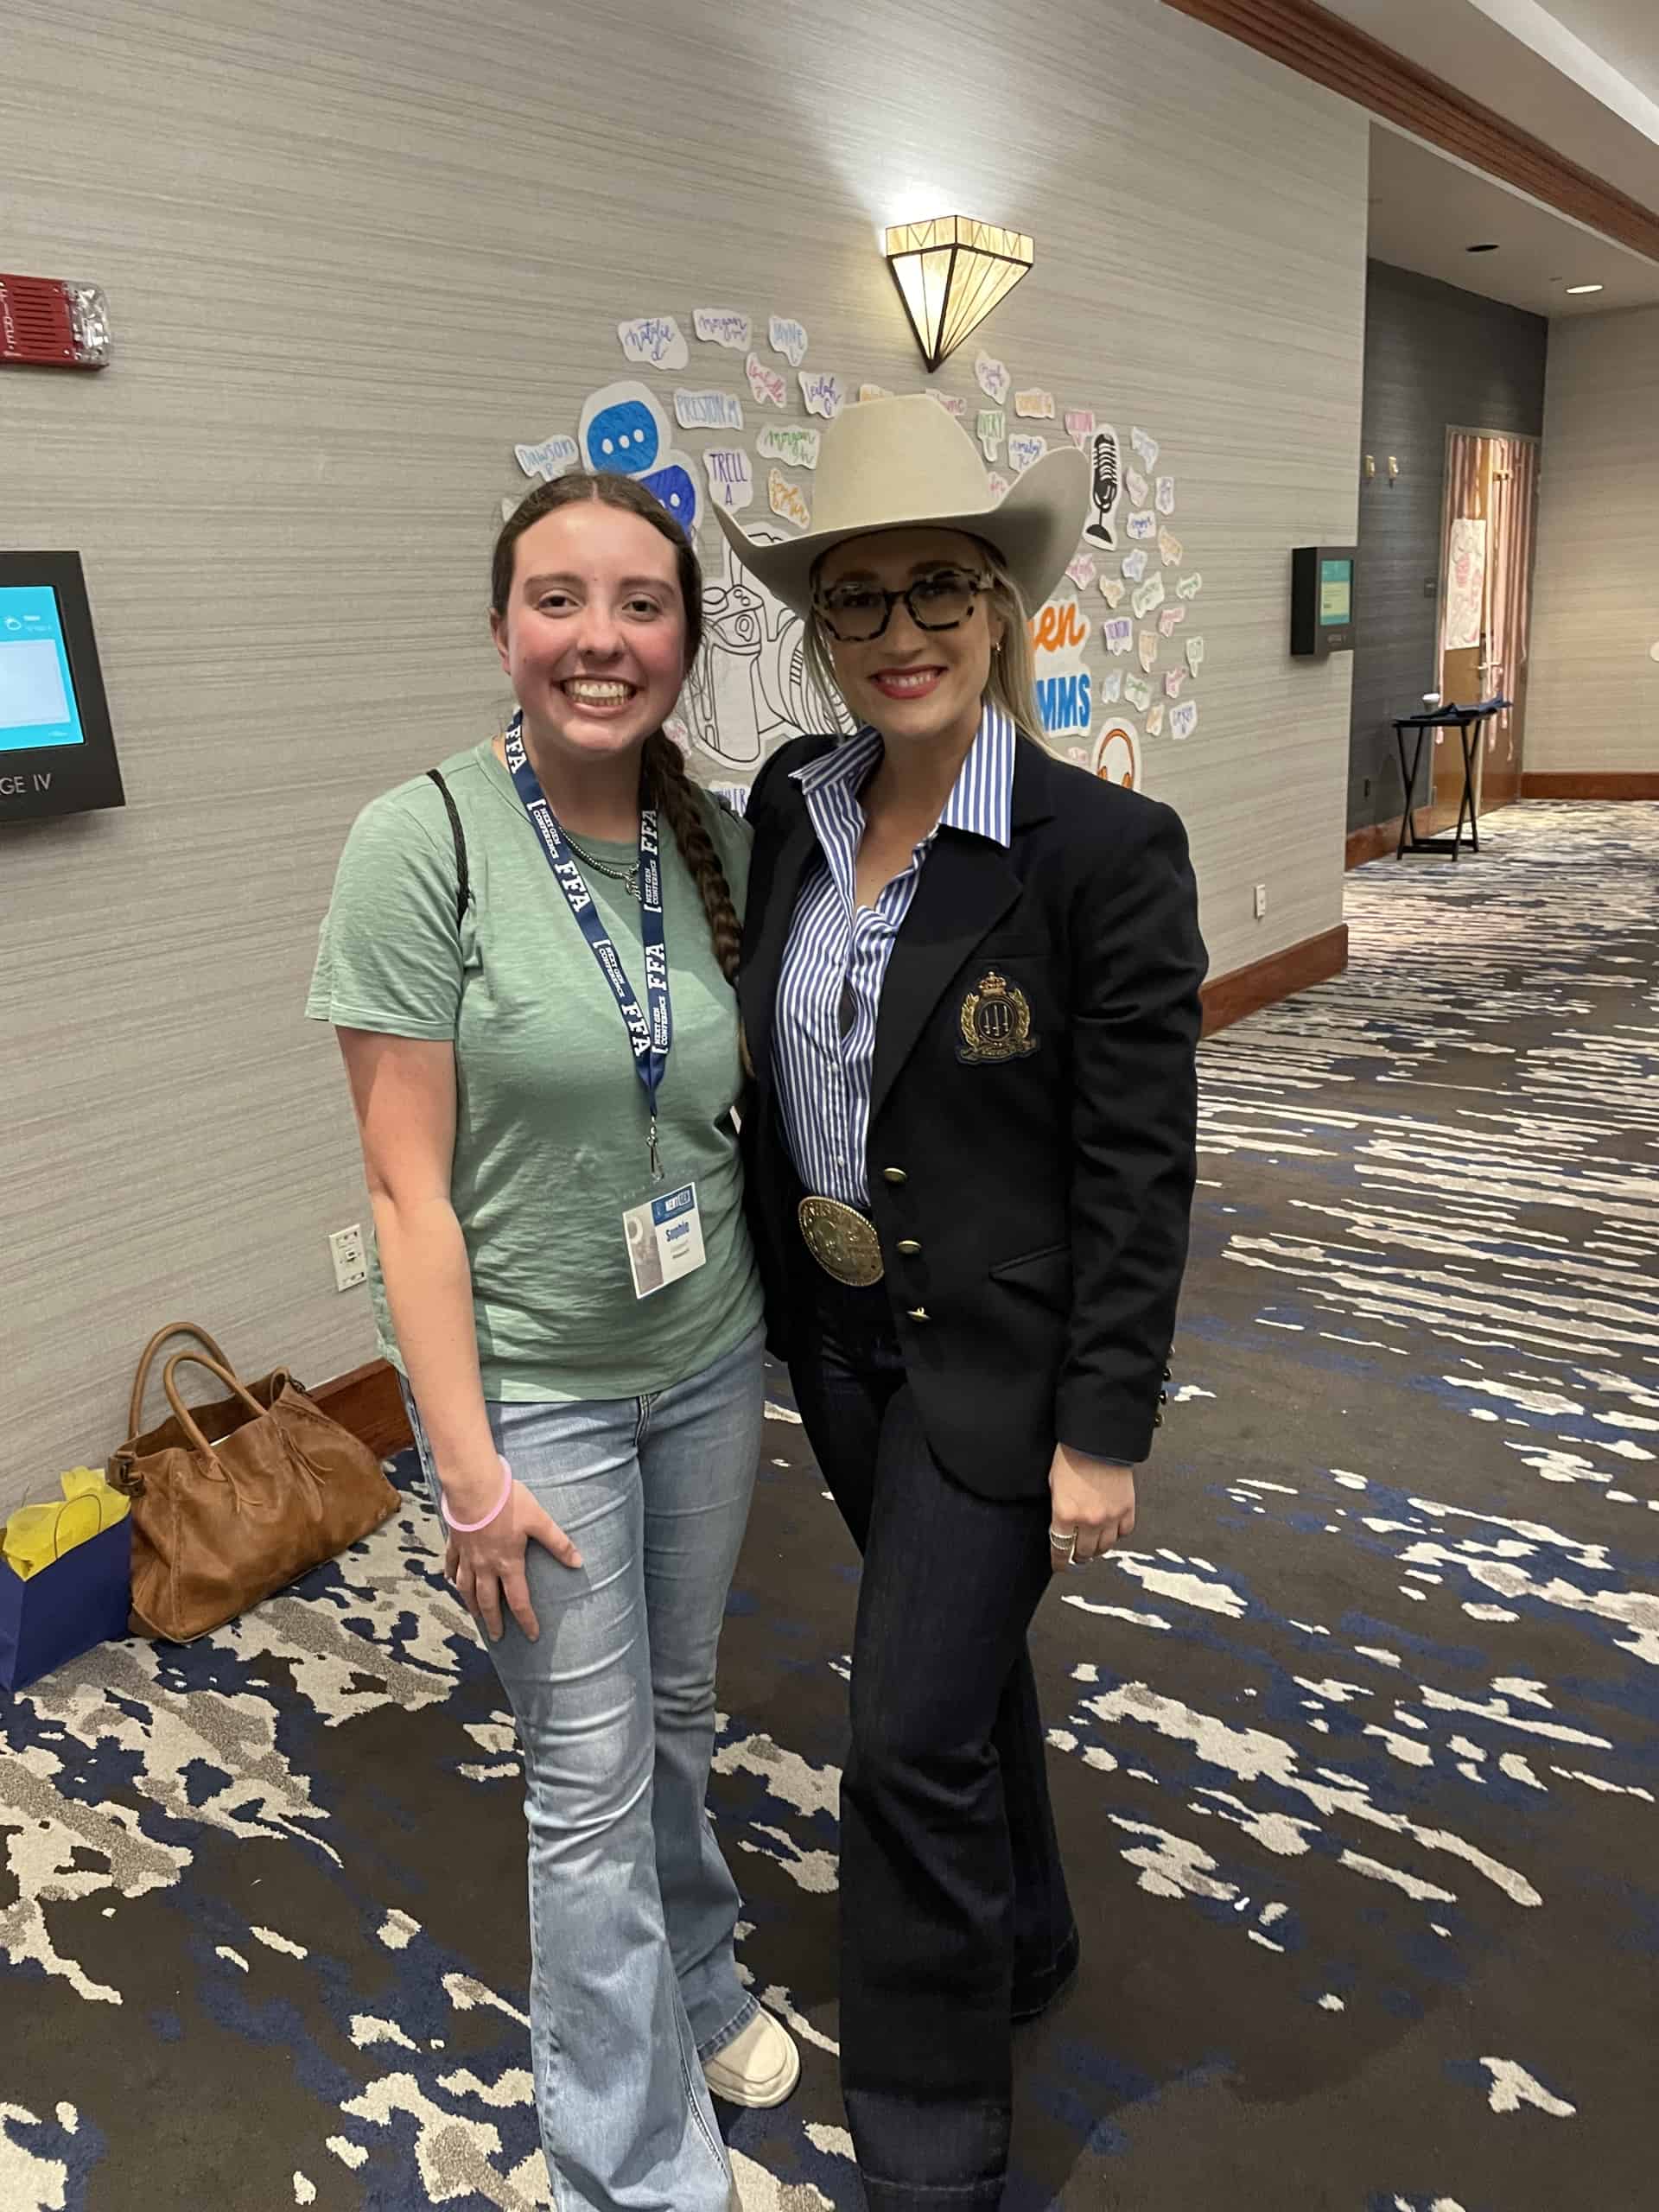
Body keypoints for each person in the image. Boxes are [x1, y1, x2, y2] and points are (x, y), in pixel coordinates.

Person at [712, 394, 1206, 2209]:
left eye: (940, 587)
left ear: (1002, 605)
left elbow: (1136, 1169)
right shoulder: (792, 801)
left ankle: (931, 2136)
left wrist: (1103, 1424)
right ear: (821, 630)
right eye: (858, 600)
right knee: (960, 1660)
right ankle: (1030, 1938)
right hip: (837, 1341)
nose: (901, 631)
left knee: (904, 1730)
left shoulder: (1100, 850)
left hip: (995, 1364)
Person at [307, 471, 798, 2212]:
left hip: (708, 1354)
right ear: (504, 624)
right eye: (561, 599)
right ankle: (626, 2158)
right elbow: (404, 1193)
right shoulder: (421, 839)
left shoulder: (714, 837)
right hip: (538, 1394)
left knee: (673, 1708)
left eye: (643, 603)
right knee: (584, 1783)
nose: (603, 639)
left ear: (684, 631)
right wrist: (465, 1471)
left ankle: (707, 1974)